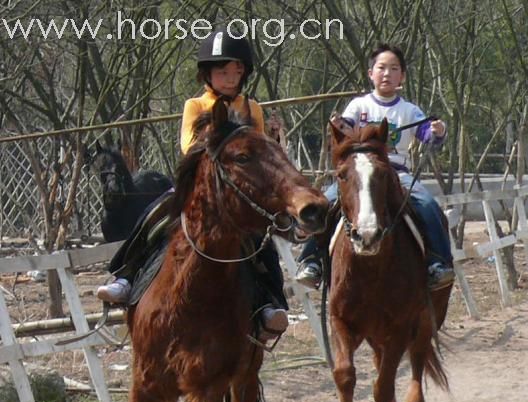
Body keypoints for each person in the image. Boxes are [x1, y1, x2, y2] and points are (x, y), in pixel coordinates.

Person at [97, 30, 288, 339]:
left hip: (237, 193)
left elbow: (260, 151)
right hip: (199, 186)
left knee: (260, 238)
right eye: (223, 72)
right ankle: (126, 276)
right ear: (208, 74)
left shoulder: (252, 108)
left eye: (236, 72)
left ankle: (271, 303)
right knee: (153, 216)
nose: (230, 78)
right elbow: (189, 146)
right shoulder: (196, 105)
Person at [295, 43, 454, 290]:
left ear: (402, 76)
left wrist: (438, 131)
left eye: (394, 69)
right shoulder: (359, 106)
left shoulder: (409, 111)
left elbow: (426, 134)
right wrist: (338, 126)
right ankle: (311, 260)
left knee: (428, 205)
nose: (387, 74)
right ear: (371, 73)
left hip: (396, 174)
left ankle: (437, 262)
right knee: (326, 203)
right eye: (381, 68)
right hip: (359, 173)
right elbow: (344, 131)